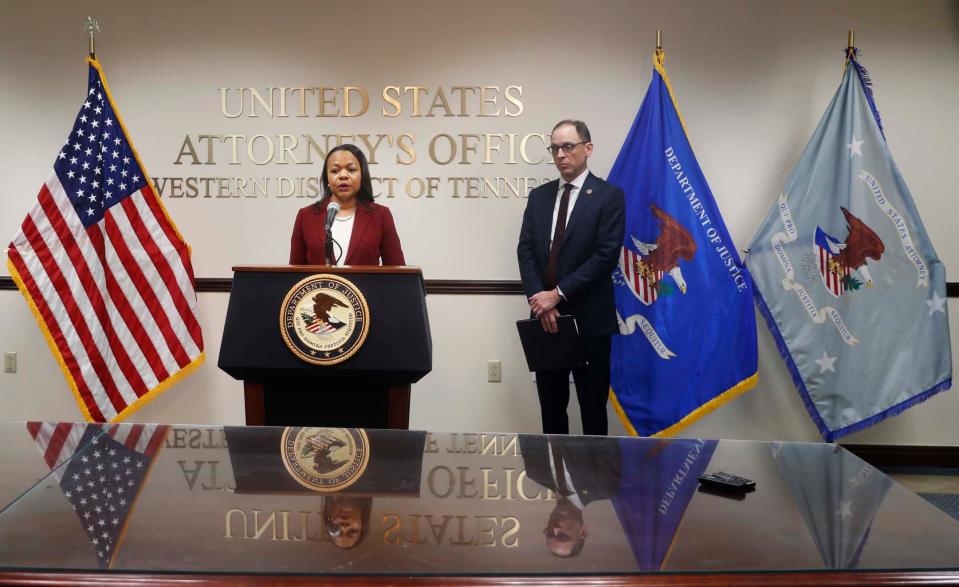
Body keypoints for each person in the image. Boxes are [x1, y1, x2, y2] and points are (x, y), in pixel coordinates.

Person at [517, 120, 626, 436]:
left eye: (568, 146)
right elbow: (525, 251)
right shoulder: (539, 197)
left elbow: (605, 258)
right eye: (555, 148)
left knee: (592, 413)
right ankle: (555, 485)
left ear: (587, 148)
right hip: (546, 321)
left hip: (590, 321)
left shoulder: (608, 196)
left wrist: (558, 294)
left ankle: (595, 485)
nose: (561, 154)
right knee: (551, 412)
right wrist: (542, 300)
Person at [290, 143, 405, 266]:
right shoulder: (306, 216)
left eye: (351, 170)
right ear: (327, 178)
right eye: (335, 171)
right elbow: (294, 274)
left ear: (362, 175)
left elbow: (397, 272)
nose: (343, 176)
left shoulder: (381, 215)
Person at [519, 434, 621, 557]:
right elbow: (604, 432)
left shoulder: (535, 472)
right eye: (563, 536)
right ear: (583, 531)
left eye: (550, 533)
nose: (555, 528)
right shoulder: (604, 485)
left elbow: (525, 424)